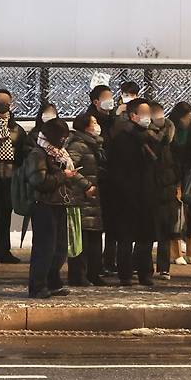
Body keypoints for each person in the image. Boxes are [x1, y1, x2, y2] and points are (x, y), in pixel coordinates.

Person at [107, 98, 160, 286]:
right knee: (126, 237)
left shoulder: (152, 137)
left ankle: (145, 272)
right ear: (133, 115)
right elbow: (118, 169)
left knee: (146, 237)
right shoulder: (122, 138)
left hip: (147, 193)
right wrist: (125, 191)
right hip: (126, 196)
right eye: (143, 113)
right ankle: (125, 274)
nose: (148, 117)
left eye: (149, 113)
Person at [25, 118, 79, 298]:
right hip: (43, 204)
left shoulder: (58, 153)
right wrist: (63, 176)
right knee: (44, 247)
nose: (64, 140)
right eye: (61, 136)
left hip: (58, 202)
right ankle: (38, 285)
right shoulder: (38, 154)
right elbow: (39, 181)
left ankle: (53, 282)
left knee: (60, 247)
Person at [66, 113, 109, 287]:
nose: (97, 125)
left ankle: (94, 273)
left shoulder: (94, 144)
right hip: (82, 198)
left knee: (94, 238)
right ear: (85, 127)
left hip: (94, 199)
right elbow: (71, 170)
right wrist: (86, 186)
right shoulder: (77, 145)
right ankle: (78, 275)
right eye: (94, 122)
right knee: (81, 239)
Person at [0, 89, 29, 263]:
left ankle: (3, 250)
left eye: (6, 102)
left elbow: (22, 152)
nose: (3, 105)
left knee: (5, 214)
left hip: (10, 176)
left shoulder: (17, 129)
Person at [147, 102, 179, 280]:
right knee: (150, 233)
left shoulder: (170, 137)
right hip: (154, 190)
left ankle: (163, 267)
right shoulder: (147, 137)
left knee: (164, 233)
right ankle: (145, 267)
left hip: (167, 190)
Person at [87, 85, 117, 277]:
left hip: (114, 178)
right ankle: (95, 265)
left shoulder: (114, 120)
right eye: (106, 98)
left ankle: (110, 260)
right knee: (95, 225)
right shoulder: (90, 122)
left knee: (113, 223)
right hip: (98, 179)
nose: (110, 101)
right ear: (96, 101)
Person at [168, 101, 191, 265]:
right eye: (186, 117)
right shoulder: (171, 132)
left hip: (189, 176)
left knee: (190, 216)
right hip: (175, 177)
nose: (188, 121)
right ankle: (176, 252)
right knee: (176, 217)